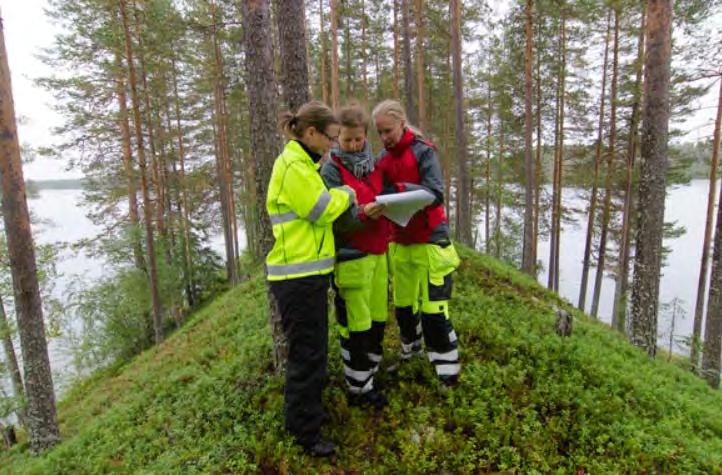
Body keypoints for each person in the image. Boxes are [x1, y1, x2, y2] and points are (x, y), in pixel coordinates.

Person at [266, 101, 356, 457]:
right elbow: (320, 210)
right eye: (331, 138)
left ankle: (306, 422)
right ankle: (305, 435)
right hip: (298, 278)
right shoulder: (294, 166)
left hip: (308, 276)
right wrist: (345, 194)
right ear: (311, 133)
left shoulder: (303, 164)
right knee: (307, 356)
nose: (333, 144)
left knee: (312, 353)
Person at [373, 99, 461, 387]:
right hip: (400, 241)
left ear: (401, 122)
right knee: (404, 308)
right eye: (380, 133)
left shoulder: (424, 152)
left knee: (434, 311)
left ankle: (447, 373)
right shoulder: (381, 160)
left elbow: (436, 193)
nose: (384, 138)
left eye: (388, 130)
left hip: (430, 240)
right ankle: (410, 353)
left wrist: (400, 191)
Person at [320, 104, 391, 408]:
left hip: (377, 254)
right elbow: (336, 219)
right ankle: (359, 389)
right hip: (350, 257)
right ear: (337, 138)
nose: (352, 145)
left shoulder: (373, 164)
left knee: (376, 318)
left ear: (365, 136)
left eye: (358, 139)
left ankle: (370, 374)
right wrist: (363, 213)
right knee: (356, 324)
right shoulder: (331, 171)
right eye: (346, 140)